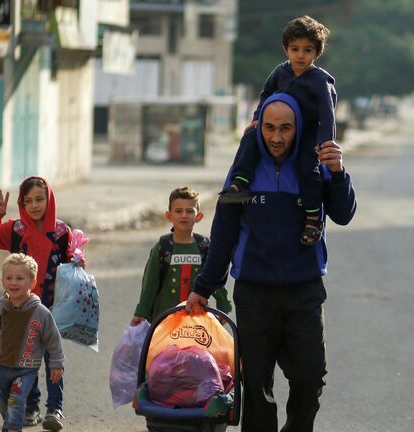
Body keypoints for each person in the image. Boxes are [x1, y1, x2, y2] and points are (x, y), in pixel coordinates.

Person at [186, 93, 357, 432]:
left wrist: (337, 173)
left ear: (299, 129)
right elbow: (224, 233)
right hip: (254, 292)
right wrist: (203, 287)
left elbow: (343, 214)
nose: (276, 137)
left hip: (304, 291)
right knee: (256, 386)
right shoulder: (244, 173)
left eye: (285, 128)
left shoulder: (312, 168)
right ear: (257, 127)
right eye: (269, 128)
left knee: (310, 377)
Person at [218, 15, 337, 247]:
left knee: (308, 168)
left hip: (307, 134)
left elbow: (327, 114)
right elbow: (265, 94)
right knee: (250, 136)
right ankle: (240, 183)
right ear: (286, 49)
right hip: (277, 128)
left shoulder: (320, 81)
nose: (300, 55)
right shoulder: (280, 72)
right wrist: (256, 118)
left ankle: (313, 218)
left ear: (317, 53)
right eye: (295, 49)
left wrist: (325, 143)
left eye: (307, 50)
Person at [0, 176, 81, 431]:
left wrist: (79, 258)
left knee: (53, 357)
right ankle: (30, 407)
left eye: (40, 199)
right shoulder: (15, 230)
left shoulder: (61, 232)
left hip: (52, 308)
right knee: (27, 358)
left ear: (49, 199)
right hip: (21, 308)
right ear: (21, 203)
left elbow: (72, 265)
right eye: (28, 201)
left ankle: (54, 409)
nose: (34, 205)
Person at [0, 253, 64, 432]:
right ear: (3, 282)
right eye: (9, 278)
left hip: (26, 368)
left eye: (20, 278)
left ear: (32, 282)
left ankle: (12, 427)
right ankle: (11, 420)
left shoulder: (41, 313)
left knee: (16, 401)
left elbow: (53, 341)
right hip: (0, 366)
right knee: (3, 399)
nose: (14, 282)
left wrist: (56, 364)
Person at [131, 186, 231, 326]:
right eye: (178, 211)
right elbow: (150, 284)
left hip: (195, 320)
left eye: (189, 211)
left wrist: (223, 306)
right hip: (164, 320)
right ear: (169, 216)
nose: (184, 215)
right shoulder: (162, 247)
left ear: (199, 217)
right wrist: (141, 312)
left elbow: (214, 277)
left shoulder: (204, 247)